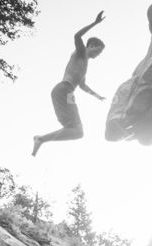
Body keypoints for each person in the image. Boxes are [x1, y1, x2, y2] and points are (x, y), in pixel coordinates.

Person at [32, 11, 107, 157]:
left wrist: (98, 96)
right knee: (77, 130)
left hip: (67, 93)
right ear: (92, 45)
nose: (99, 55)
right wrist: (95, 23)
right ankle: (40, 139)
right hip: (64, 90)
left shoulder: (84, 65)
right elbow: (77, 36)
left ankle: (41, 139)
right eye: (99, 51)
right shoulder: (81, 52)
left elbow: (83, 86)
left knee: (77, 131)